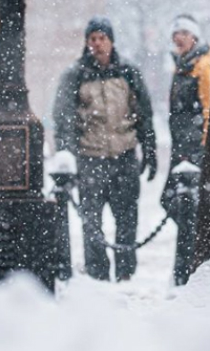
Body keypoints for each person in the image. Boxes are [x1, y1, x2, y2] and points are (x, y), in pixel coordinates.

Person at [52, 17, 158, 282]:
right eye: (93, 39)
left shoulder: (128, 73)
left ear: (111, 41)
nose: (98, 44)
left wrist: (150, 148)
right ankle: (97, 276)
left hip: (124, 157)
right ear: (87, 43)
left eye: (102, 38)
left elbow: (143, 113)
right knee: (92, 225)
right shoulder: (74, 76)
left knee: (127, 220)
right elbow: (63, 121)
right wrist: (69, 159)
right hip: (90, 158)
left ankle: (125, 275)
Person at [162, 14, 210, 286]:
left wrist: (200, 145)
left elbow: (208, 107)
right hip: (182, 148)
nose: (178, 37)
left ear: (194, 36)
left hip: (193, 151)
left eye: (183, 32)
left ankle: (194, 256)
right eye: (175, 33)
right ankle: (197, 248)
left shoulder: (202, 66)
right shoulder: (182, 66)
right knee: (173, 202)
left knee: (180, 203)